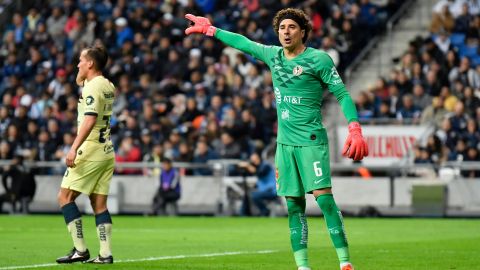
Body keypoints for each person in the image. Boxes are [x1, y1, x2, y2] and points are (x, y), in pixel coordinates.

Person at [185, 8, 368, 270]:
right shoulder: (274, 57)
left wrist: (354, 127)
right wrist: (211, 30)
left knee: (324, 199)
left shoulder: (319, 60)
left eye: (292, 27)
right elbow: (244, 43)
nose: (286, 32)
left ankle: (344, 263)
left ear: (303, 32)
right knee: (294, 206)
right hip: (284, 144)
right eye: (282, 28)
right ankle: (303, 266)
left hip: (311, 141)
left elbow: (342, 95)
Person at [56, 45, 116, 264]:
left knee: (64, 197)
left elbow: (90, 118)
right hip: (107, 150)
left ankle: (80, 250)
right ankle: (105, 254)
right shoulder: (108, 84)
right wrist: (83, 73)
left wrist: (73, 148)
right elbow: (79, 80)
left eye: (81, 60)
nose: (77, 64)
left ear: (90, 63)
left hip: (90, 149)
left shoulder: (92, 88)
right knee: (99, 205)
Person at [238, 152, 277, 216]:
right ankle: (245, 213)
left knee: (254, 195)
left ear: (259, 158)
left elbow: (259, 173)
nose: (253, 161)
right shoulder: (258, 166)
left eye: (254, 159)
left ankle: (264, 211)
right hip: (265, 190)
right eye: (252, 160)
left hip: (272, 191)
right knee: (248, 194)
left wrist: (248, 166)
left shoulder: (266, 165)